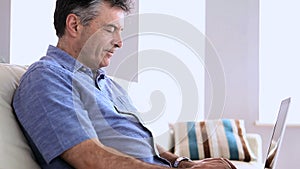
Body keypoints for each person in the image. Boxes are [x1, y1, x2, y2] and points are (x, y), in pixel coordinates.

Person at [13, 0, 236, 169]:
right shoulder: (47, 77)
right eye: (110, 29)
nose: (120, 42)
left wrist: (184, 164)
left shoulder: (107, 83)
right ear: (74, 25)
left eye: (121, 31)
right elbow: (88, 157)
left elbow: (139, 142)